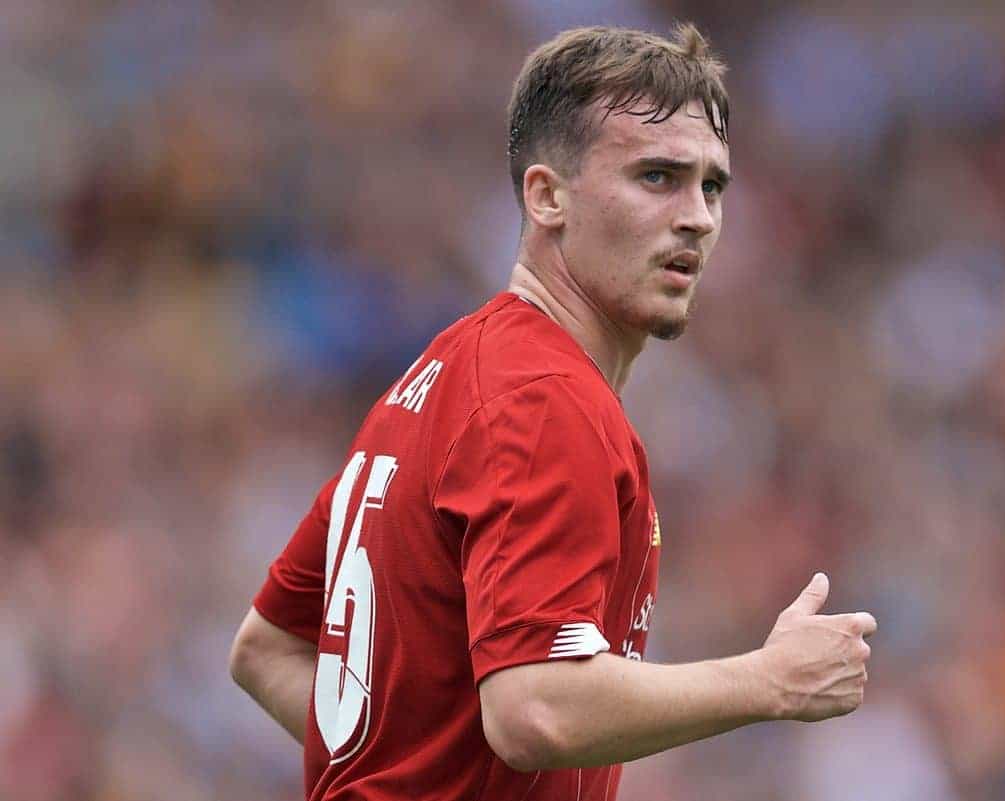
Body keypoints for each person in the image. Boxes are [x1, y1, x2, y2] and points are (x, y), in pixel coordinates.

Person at [229, 22, 876, 800]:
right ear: (546, 196)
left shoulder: (440, 376)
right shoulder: (542, 400)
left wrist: (412, 772)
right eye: (658, 178)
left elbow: (267, 648)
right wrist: (767, 681)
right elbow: (534, 709)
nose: (699, 217)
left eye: (712, 185)